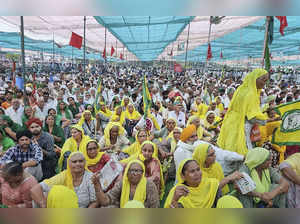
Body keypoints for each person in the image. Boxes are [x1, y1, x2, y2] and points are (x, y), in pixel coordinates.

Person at [217, 69, 269, 155]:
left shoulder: (242, 89)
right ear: (255, 78)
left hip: (231, 123)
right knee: (241, 154)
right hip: (240, 126)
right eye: (263, 80)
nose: (264, 83)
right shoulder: (251, 93)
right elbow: (252, 117)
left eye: (266, 81)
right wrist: (266, 120)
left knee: (229, 151)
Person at [30, 151, 97, 208]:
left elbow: (95, 202)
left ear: (85, 162)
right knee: (41, 197)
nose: (78, 164)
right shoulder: (64, 175)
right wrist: (43, 205)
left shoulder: (90, 177)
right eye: (74, 162)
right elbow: (35, 189)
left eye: (80, 161)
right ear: (69, 163)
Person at [91, 160, 160, 208]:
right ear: (127, 172)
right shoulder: (122, 183)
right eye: (131, 170)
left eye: (138, 171)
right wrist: (97, 185)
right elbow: (105, 201)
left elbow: (155, 207)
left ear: (143, 173)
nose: (134, 173)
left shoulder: (149, 185)